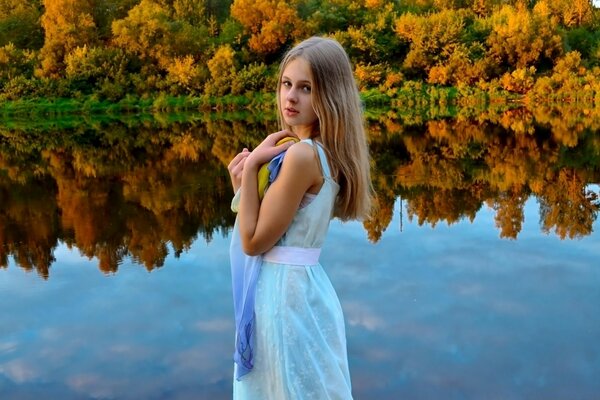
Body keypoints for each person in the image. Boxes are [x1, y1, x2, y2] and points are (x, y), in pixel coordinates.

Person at [227, 36, 372, 399]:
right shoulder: (321, 152)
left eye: (306, 88)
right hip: (304, 287)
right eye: (286, 84)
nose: (290, 97)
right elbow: (271, 224)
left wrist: (252, 168)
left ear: (330, 96)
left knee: (284, 386)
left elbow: (253, 241)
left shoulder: (302, 156)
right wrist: (241, 187)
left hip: (282, 295)